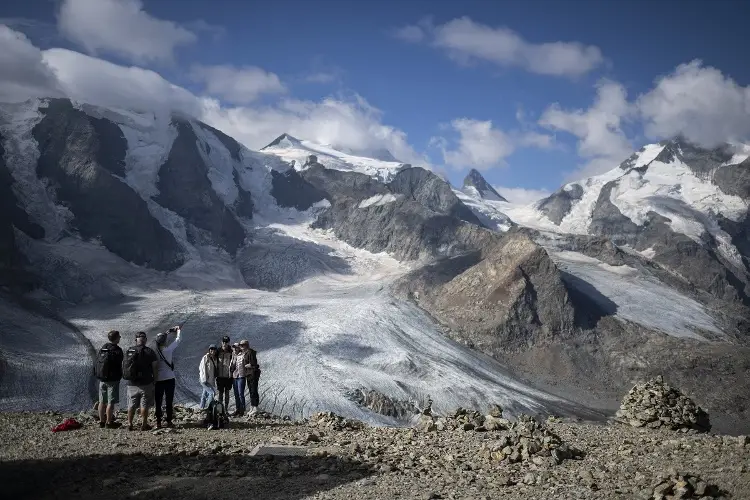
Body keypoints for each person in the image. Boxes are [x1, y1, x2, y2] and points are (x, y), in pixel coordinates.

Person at [123, 331, 159, 431]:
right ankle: (144, 424)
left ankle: (129, 424)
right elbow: (155, 366)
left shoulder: (130, 350)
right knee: (144, 405)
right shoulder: (149, 351)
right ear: (145, 340)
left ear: (136, 340)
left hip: (132, 383)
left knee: (131, 405)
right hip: (146, 382)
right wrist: (155, 379)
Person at [153, 325, 182, 429]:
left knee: (158, 401)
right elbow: (178, 340)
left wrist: (169, 331)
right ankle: (169, 421)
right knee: (169, 401)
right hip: (169, 378)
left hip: (158, 380)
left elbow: (161, 338)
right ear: (165, 342)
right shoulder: (168, 350)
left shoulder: (155, 351)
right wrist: (178, 330)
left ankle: (158, 422)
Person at [94, 330, 124, 429]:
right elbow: (120, 363)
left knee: (102, 401)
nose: (120, 338)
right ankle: (109, 422)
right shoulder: (118, 350)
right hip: (113, 380)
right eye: (119, 337)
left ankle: (101, 421)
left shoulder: (104, 347)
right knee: (110, 402)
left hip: (102, 379)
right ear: (116, 338)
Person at [240, 340, 261, 416]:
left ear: (246, 345)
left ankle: (255, 407)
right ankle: (252, 407)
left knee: (253, 390)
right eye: (241, 345)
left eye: (243, 345)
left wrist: (248, 365)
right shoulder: (246, 353)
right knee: (251, 390)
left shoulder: (250, 352)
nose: (241, 347)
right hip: (249, 374)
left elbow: (254, 364)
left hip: (253, 374)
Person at [198, 344, 218, 410]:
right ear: (209, 350)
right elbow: (202, 368)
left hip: (211, 380)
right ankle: (209, 408)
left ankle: (201, 407)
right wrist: (204, 380)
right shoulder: (206, 357)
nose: (213, 350)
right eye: (211, 349)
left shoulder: (215, 359)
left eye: (214, 349)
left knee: (204, 393)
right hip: (205, 380)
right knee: (212, 393)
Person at [216, 336, 233, 412]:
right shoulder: (218, 351)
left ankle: (225, 409)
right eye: (223, 341)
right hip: (219, 376)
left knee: (227, 393)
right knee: (220, 393)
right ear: (221, 342)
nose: (224, 343)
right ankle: (220, 410)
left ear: (228, 342)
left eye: (226, 342)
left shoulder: (231, 351)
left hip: (228, 376)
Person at [230, 342, 247, 416]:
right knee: (236, 394)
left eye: (236, 347)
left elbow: (245, 365)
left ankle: (242, 410)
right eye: (233, 347)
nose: (234, 348)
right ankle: (237, 409)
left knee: (241, 393)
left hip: (241, 376)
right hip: (234, 376)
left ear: (239, 348)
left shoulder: (242, 355)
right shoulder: (233, 355)